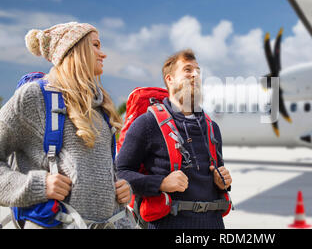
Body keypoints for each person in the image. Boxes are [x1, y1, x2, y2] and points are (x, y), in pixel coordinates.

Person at [0, 22, 132, 229]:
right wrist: (37, 185)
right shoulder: (34, 97)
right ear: (74, 50)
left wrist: (121, 189)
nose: (103, 54)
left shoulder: (101, 107)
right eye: (96, 45)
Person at [116, 49, 232, 229]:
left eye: (198, 71)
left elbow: (217, 173)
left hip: (213, 223)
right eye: (187, 70)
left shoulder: (211, 128)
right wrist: (160, 183)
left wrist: (222, 180)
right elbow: (120, 172)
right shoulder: (147, 123)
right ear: (169, 79)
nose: (195, 75)